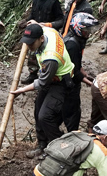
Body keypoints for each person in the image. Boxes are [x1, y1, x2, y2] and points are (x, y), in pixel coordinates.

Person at [11, 24, 75, 159]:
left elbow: (41, 83)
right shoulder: (47, 31)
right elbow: (43, 25)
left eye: (31, 43)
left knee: (45, 116)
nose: (28, 46)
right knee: (37, 110)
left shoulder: (50, 57)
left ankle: (56, 147)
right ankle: (42, 144)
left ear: (40, 39)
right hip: (49, 78)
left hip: (60, 82)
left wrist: (21, 90)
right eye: (26, 43)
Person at [21, 0, 64, 84]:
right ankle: (32, 73)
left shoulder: (53, 2)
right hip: (35, 32)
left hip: (49, 34)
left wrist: (47, 25)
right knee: (32, 54)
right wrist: (27, 22)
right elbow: (33, 15)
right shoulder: (36, 0)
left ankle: (48, 75)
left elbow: (61, 20)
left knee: (46, 55)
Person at [63, 13, 100, 132]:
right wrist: (90, 83)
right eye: (86, 30)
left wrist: (85, 73)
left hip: (67, 79)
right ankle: (72, 134)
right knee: (73, 111)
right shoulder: (73, 45)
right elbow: (73, 71)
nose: (88, 33)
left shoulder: (72, 39)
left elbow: (75, 64)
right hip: (69, 83)